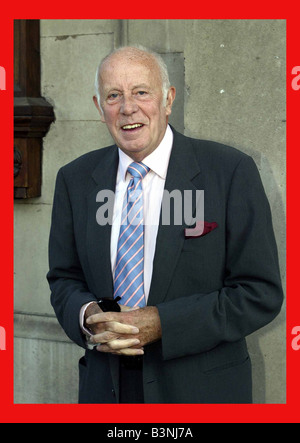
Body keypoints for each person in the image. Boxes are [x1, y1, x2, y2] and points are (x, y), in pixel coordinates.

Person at [47, 45, 283, 404]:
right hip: (107, 390)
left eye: (141, 92)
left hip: (200, 393)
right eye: (114, 95)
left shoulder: (230, 171)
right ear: (99, 108)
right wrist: (88, 314)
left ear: (168, 99)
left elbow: (259, 294)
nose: (128, 107)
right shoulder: (75, 180)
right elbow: (64, 279)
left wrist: (162, 323)